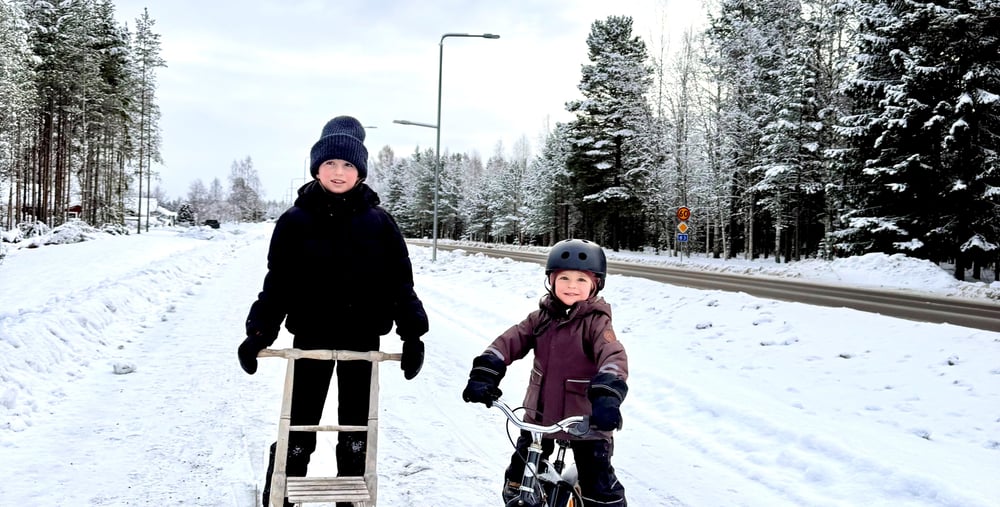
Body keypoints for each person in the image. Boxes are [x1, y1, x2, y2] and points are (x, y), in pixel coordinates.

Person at [238, 115, 429, 507]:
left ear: (359, 171)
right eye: (330, 164)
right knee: (300, 418)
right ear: (316, 168)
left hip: (364, 339)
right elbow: (279, 282)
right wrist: (260, 331)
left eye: (347, 165)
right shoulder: (295, 221)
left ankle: (351, 494)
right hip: (310, 336)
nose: (338, 172)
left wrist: (412, 335)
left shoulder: (380, 224)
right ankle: (284, 487)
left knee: (357, 424)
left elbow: (399, 284)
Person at [462, 238, 629, 506]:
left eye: (581, 280)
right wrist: (485, 372)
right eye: (564, 278)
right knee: (518, 474)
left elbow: (613, 357)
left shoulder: (597, 324)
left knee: (598, 485)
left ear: (595, 284)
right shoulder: (539, 319)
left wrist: (608, 395)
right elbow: (508, 342)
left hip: (586, 421)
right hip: (540, 418)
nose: (571, 286)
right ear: (551, 280)